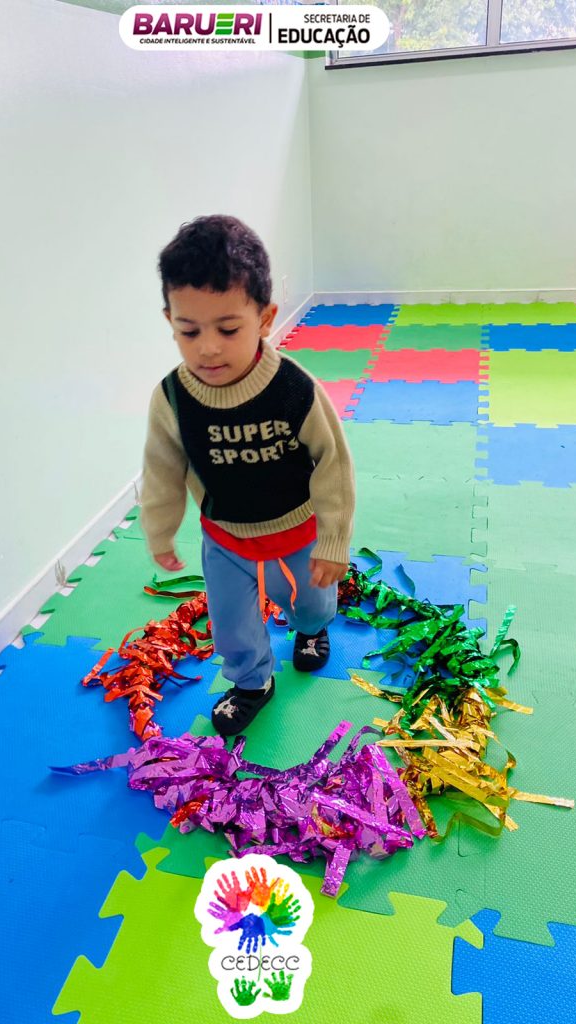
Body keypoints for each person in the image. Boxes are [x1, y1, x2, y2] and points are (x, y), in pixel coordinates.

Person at [139, 214, 356, 737]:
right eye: (189, 331)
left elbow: (333, 464)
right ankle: (252, 681)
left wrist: (333, 541)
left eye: (228, 329)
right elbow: (161, 469)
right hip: (225, 538)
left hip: (296, 532)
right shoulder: (173, 399)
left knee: (308, 602)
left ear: (264, 318)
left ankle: (312, 629)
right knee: (232, 623)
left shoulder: (294, 390)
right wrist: (160, 531)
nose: (208, 347)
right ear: (170, 320)